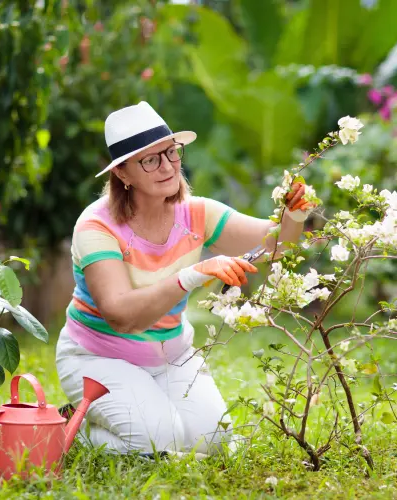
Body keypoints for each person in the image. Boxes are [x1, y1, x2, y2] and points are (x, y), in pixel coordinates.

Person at [55, 101, 315, 457]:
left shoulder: (196, 213)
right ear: (123, 174)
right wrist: (190, 275)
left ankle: (139, 409)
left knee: (218, 445)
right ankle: (73, 427)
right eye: (150, 159)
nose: (167, 166)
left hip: (170, 356)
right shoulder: (96, 227)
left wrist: (295, 215)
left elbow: (275, 243)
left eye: (171, 153)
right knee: (162, 443)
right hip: (98, 357)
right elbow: (121, 314)